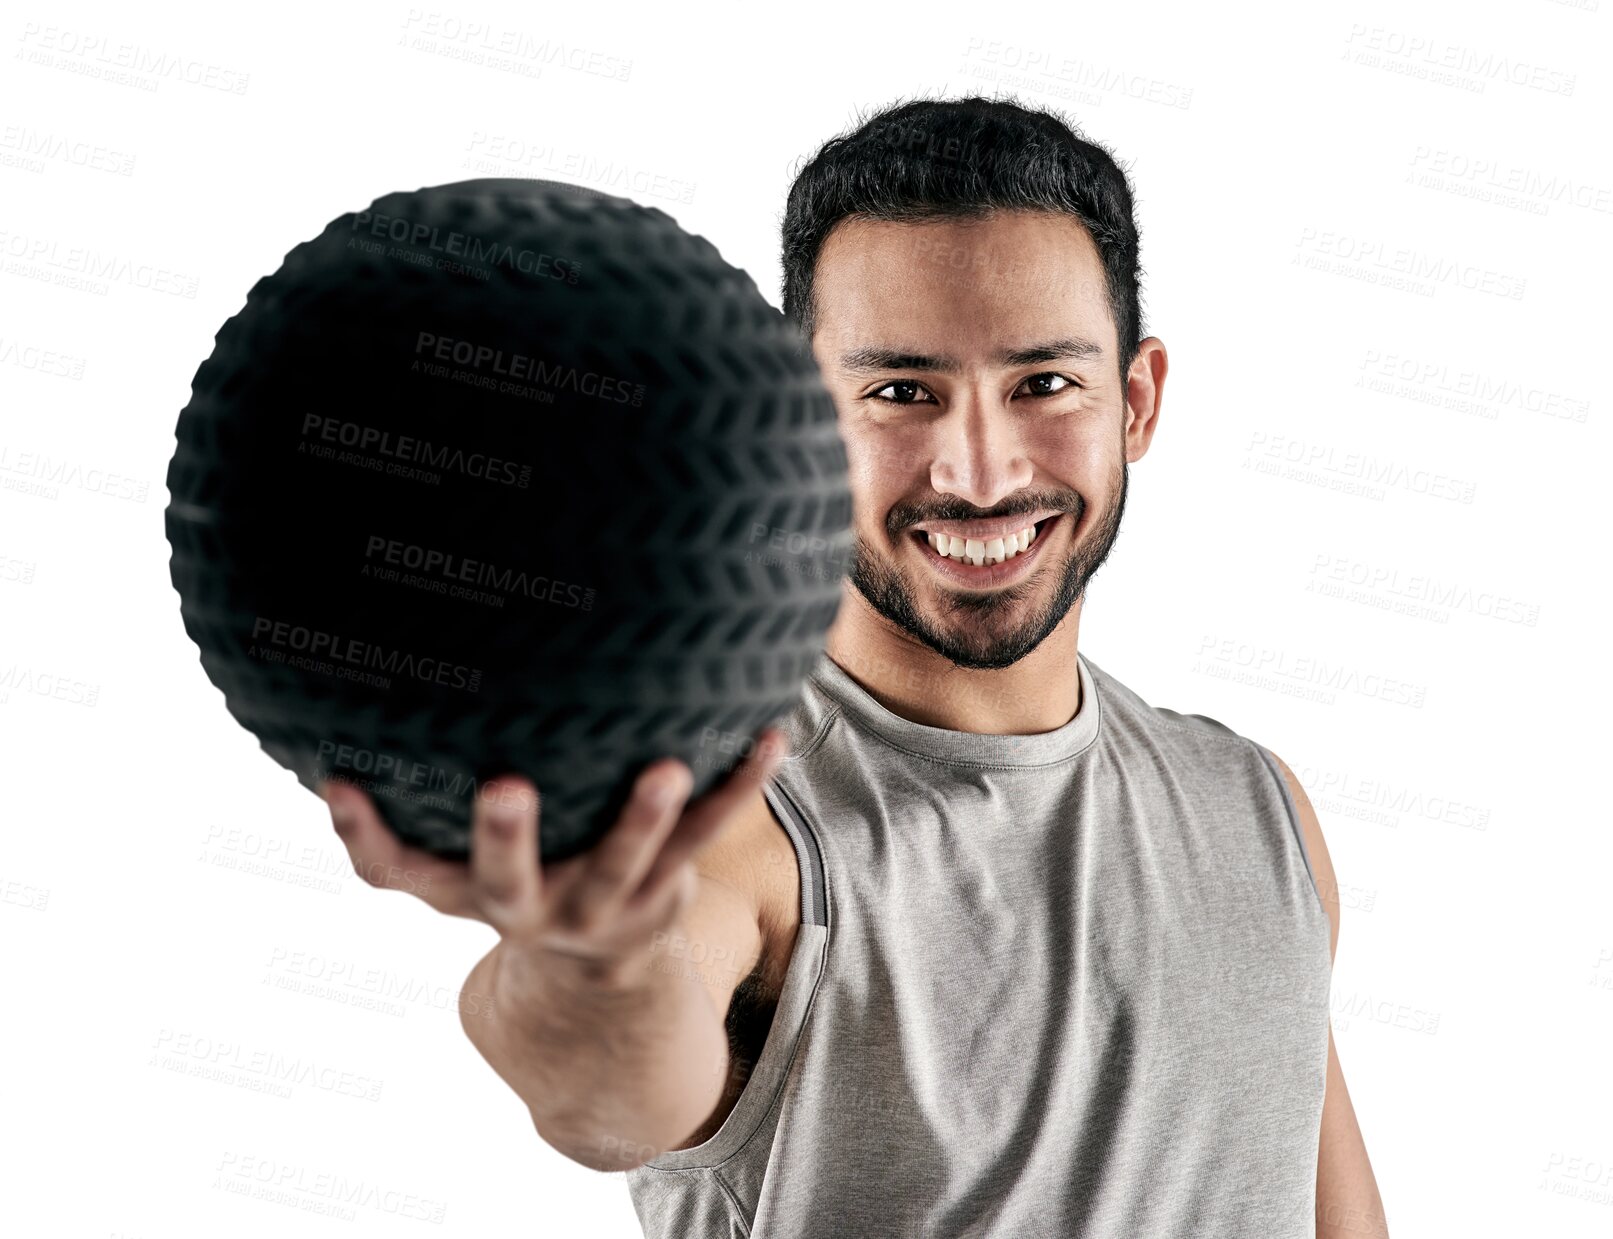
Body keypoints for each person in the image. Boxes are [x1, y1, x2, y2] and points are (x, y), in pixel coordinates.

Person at [319, 94, 1389, 1238]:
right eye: (898, 393)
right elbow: (609, 1092)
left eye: (1042, 384)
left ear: (1133, 401)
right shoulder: (736, 819)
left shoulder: (1255, 808)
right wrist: (581, 970)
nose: (978, 474)